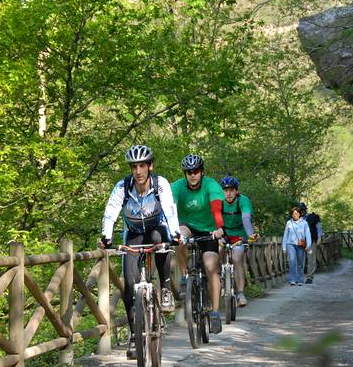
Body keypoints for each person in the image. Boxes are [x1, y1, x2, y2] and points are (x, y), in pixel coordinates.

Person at [98, 145, 181, 359]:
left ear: (150, 166)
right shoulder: (123, 186)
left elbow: (170, 209)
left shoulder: (160, 184)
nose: (138, 171)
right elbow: (110, 211)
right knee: (129, 285)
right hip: (133, 234)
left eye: (142, 166)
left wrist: (175, 234)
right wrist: (106, 236)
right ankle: (135, 336)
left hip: (157, 229)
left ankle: (164, 287)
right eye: (134, 167)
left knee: (160, 240)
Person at [171, 154, 226, 334]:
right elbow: (170, 206)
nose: (192, 175)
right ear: (185, 174)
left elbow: (216, 207)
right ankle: (185, 275)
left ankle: (216, 313)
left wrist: (219, 227)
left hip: (209, 229)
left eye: (196, 172)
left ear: (202, 172)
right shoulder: (178, 186)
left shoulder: (211, 185)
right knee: (179, 236)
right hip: (187, 225)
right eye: (189, 172)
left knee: (211, 266)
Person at [219, 175, 257, 307]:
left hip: (239, 235)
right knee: (217, 253)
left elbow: (246, 219)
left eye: (231, 190)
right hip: (223, 234)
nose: (228, 193)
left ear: (236, 191)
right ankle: (219, 282)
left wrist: (251, 234)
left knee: (237, 258)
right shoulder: (218, 201)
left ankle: (240, 293)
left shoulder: (243, 201)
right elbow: (212, 219)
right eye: (225, 190)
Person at [282, 206, 311, 286]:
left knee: (300, 263)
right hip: (290, 244)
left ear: (299, 214)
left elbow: (308, 234)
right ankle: (292, 279)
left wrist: (308, 245)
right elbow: (285, 235)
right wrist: (284, 247)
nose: (294, 215)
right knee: (292, 262)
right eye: (293, 214)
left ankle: (300, 280)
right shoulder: (288, 223)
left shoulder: (304, 223)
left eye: (296, 213)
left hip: (300, 245)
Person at [299, 202, 323, 284]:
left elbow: (319, 227)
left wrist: (319, 238)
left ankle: (310, 277)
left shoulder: (313, 217)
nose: (301, 212)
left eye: (302, 210)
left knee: (311, 260)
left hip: (311, 241)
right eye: (299, 210)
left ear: (305, 210)